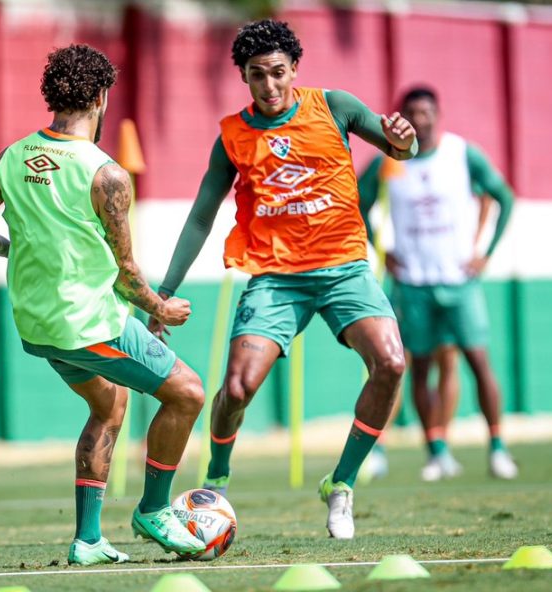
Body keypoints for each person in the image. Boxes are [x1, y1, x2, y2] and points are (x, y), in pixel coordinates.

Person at [149, 19, 417, 540]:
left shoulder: (334, 106)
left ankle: (340, 485)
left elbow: (396, 149)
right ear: (244, 78)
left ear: (294, 69)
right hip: (276, 278)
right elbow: (202, 215)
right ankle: (217, 482)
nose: (269, 86)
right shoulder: (233, 135)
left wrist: (403, 143)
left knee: (390, 362)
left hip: (344, 268)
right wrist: (165, 291)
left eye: (277, 73)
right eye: (256, 76)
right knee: (237, 387)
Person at [0, 44, 206, 565]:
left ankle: (88, 539)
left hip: (38, 327)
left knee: (109, 405)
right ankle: (154, 510)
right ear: (103, 97)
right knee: (188, 394)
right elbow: (128, 273)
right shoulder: (105, 174)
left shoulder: (13, 156)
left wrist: (10, 248)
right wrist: (161, 308)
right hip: (89, 324)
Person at [358, 86, 517, 481]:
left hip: (459, 281)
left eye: (426, 111)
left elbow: (503, 196)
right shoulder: (389, 163)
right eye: (412, 112)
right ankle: (437, 450)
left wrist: (486, 252)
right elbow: (358, 203)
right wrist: (380, 249)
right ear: (403, 117)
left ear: (437, 114)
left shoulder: (462, 154)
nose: (420, 119)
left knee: (479, 363)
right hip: (412, 284)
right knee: (419, 368)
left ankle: (498, 448)